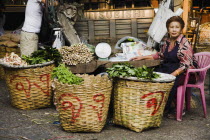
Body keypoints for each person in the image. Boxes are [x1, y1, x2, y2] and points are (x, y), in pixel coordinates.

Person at [130, 16, 198, 118]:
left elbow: (186, 64)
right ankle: (155, 106)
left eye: (177, 27)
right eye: (171, 27)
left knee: (169, 82)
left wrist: (172, 76)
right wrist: (142, 57)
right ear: (168, 29)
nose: (174, 30)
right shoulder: (167, 41)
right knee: (153, 76)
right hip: (170, 67)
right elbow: (160, 55)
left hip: (185, 72)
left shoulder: (184, 43)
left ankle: (174, 108)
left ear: (181, 29)